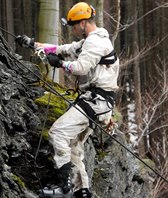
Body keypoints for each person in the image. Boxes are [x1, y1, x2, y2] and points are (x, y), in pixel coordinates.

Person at [16, 2, 119, 198]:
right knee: (73, 145)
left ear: (83, 23)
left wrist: (61, 64)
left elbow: (81, 67)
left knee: (58, 132)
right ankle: (82, 191)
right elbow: (62, 49)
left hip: (95, 102)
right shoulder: (90, 40)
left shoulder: (95, 42)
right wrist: (33, 44)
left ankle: (63, 187)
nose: (72, 29)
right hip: (97, 102)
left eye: (73, 25)